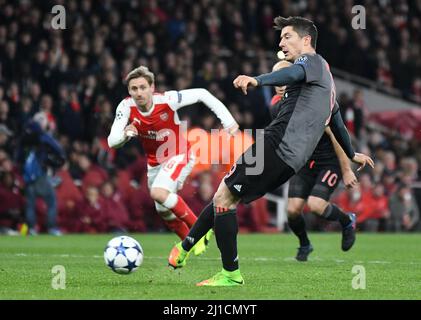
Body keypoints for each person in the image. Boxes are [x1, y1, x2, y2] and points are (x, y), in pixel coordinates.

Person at [168, 16, 373, 286]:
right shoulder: (327, 86)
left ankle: (230, 273)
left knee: (224, 199)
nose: (281, 42)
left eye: (287, 36)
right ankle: (186, 248)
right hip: (290, 159)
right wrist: (351, 153)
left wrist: (257, 79)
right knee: (224, 194)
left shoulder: (312, 62)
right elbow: (338, 124)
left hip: (276, 145)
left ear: (306, 40)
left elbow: (293, 72)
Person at [108, 66, 239, 255]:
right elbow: (112, 142)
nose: (139, 93)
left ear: (152, 87)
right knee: (163, 211)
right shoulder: (126, 106)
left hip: (179, 154)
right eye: (134, 89)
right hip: (154, 163)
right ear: (129, 91)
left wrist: (228, 122)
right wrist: (126, 134)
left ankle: (201, 230)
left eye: (143, 87)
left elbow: (202, 93)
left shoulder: (167, 100)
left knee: (158, 192)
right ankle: (190, 244)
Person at [269, 61, 374, 261]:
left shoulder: (310, 101)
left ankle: (347, 221)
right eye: (277, 79)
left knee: (316, 205)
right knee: (292, 211)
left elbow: (335, 135)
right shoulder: (275, 106)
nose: (281, 83)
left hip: (329, 161)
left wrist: (346, 170)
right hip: (303, 162)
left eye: (285, 77)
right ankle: (305, 244)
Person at [20, 113, 66, 235]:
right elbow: (57, 148)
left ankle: (31, 228)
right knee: (51, 200)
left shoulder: (24, 136)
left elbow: (18, 156)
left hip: (27, 176)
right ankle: (51, 227)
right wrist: (57, 160)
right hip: (39, 174)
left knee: (30, 203)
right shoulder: (41, 136)